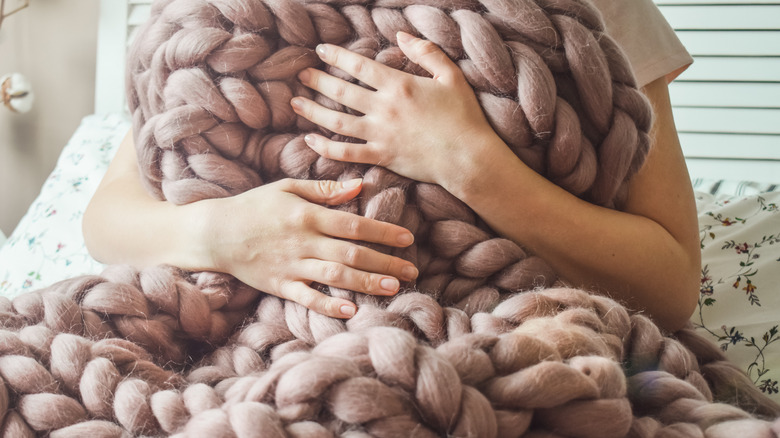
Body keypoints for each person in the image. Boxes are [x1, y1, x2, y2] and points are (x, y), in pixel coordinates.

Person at [83, 0, 700, 332]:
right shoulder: (212, 26)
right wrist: (220, 235)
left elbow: (669, 291)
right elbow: (109, 221)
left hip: (516, 340)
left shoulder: (599, 13)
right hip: (243, 338)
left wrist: (470, 164)